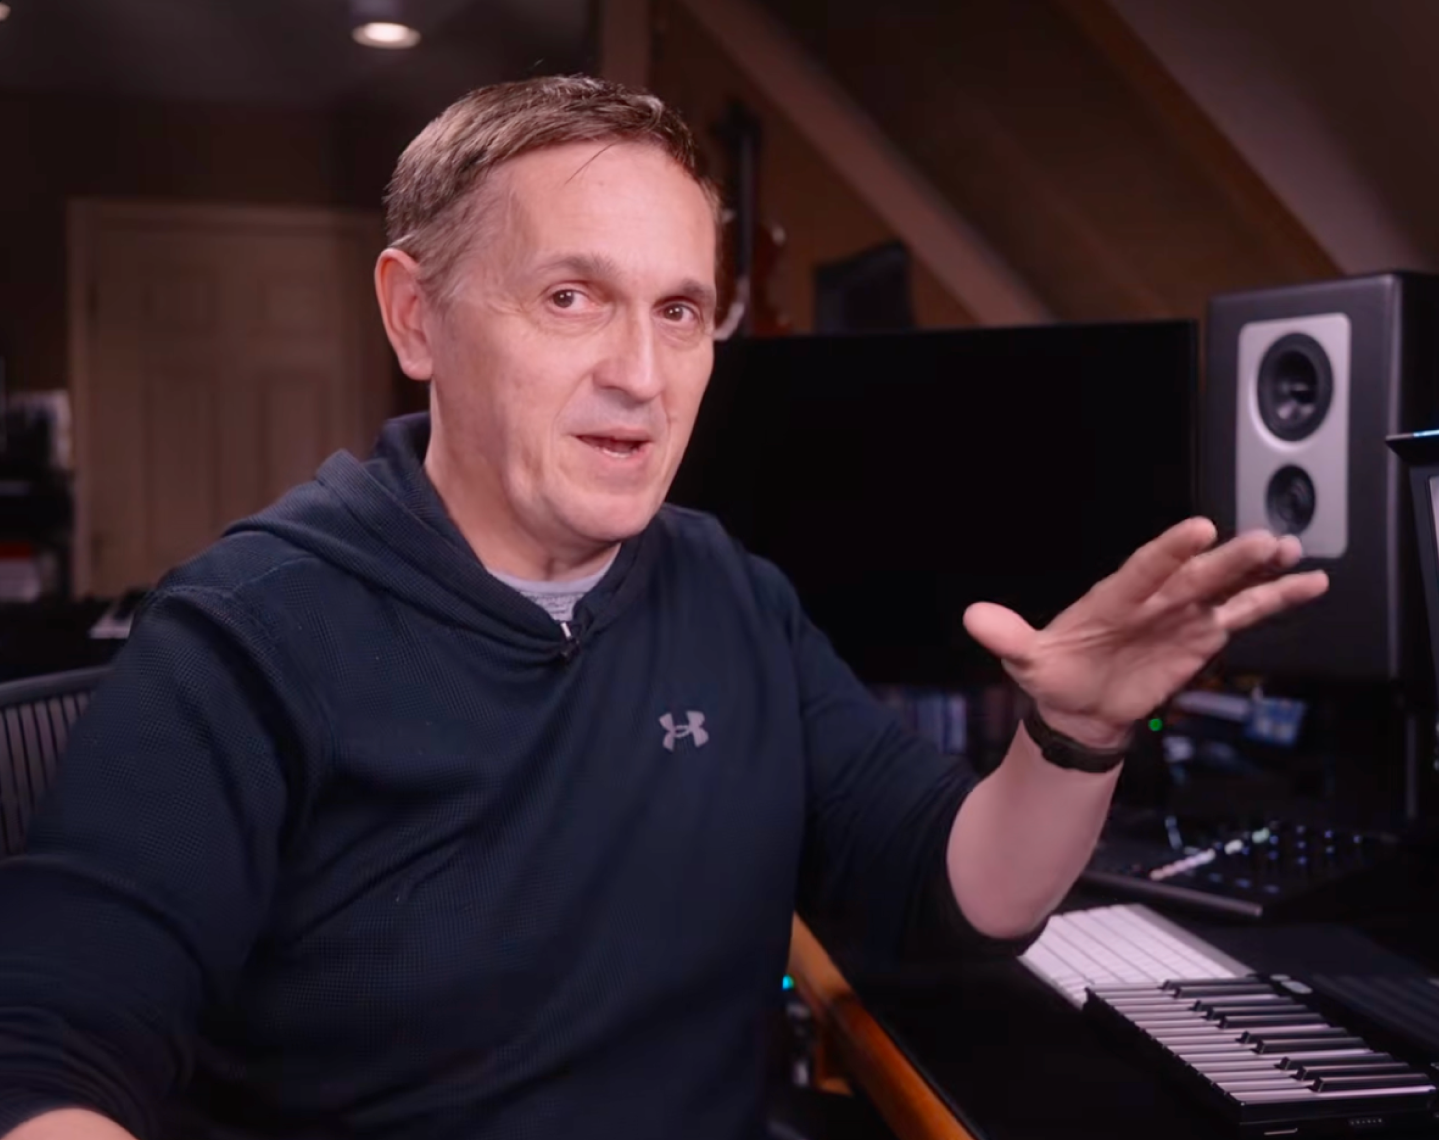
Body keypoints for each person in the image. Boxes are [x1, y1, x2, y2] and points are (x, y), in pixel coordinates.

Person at [0, 76, 1327, 1140]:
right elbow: (47, 1054)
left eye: (680, 310)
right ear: (417, 319)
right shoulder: (250, 630)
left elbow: (952, 887)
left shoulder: (729, 593)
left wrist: (1076, 736)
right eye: (570, 298)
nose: (641, 373)